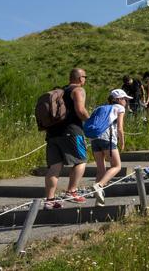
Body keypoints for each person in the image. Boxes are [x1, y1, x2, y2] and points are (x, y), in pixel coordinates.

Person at [43, 68, 90, 209]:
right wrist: (91, 120)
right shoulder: (78, 90)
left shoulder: (60, 91)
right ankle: (72, 191)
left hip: (52, 133)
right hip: (72, 132)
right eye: (85, 77)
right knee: (81, 161)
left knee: (55, 167)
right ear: (80, 78)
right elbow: (80, 110)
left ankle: (49, 200)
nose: (85, 79)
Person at [90, 89, 130, 206]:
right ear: (117, 100)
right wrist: (122, 142)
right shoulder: (119, 108)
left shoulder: (99, 108)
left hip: (94, 139)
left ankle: (99, 200)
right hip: (108, 138)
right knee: (117, 166)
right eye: (124, 99)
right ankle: (99, 186)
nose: (126, 102)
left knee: (101, 170)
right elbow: (120, 128)